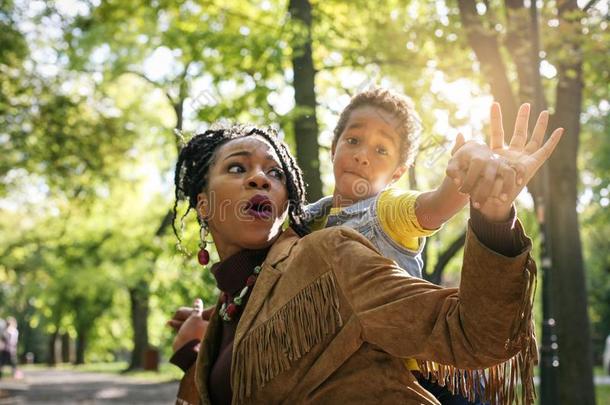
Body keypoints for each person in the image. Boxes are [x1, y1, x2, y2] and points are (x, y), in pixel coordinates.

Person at [168, 110, 562, 404]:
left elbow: (474, 334)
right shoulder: (226, 312)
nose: (260, 179)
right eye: (238, 168)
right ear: (203, 205)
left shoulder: (328, 254)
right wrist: (194, 356)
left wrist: (491, 213)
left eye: (274, 173)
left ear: (285, 200)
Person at [303, 88, 529, 404]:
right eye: (353, 141)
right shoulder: (309, 220)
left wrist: (466, 171)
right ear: (333, 147)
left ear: (398, 172)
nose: (362, 155)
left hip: (408, 378)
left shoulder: (386, 210)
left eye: (381, 150)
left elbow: (434, 206)